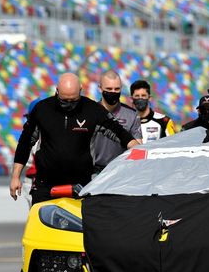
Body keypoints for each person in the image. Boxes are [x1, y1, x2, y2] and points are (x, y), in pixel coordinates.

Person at [10, 73, 139, 204]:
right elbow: (25, 143)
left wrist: (135, 146)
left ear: (80, 91)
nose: (69, 105)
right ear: (57, 91)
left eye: (73, 100)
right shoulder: (42, 109)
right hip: (46, 187)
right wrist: (15, 176)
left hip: (81, 187)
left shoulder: (93, 110)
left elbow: (119, 132)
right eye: (64, 101)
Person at [91, 70, 142, 173]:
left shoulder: (132, 115)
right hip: (93, 172)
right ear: (100, 88)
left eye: (117, 89)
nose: (113, 92)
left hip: (120, 172)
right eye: (109, 89)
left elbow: (138, 148)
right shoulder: (90, 112)